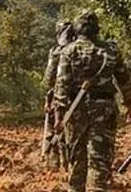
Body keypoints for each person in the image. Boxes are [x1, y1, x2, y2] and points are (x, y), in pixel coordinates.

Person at [53, 10, 131, 192]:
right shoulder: (111, 50)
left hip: (76, 112)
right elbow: (125, 80)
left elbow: (61, 86)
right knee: (100, 160)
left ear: (77, 29)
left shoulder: (69, 51)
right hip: (104, 110)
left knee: (77, 159)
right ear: (97, 28)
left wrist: (59, 116)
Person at [42, 19, 76, 170]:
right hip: (78, 98)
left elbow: (48, 80)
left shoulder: (56, 52)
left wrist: (48, 99)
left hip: (59, 97)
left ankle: (54, 164)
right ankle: (69, 164)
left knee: (54, 129)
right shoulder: (78, 49)